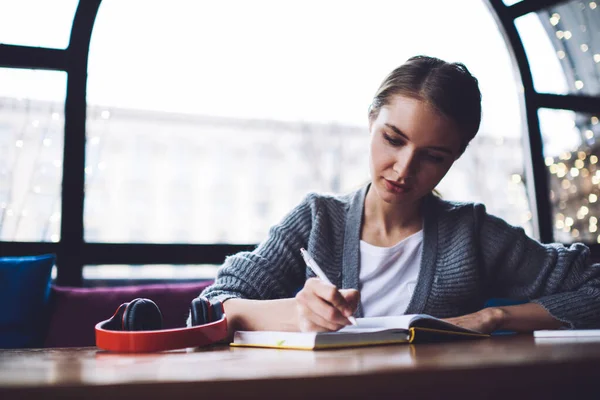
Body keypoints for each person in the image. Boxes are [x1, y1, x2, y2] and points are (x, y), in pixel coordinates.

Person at [197, 55, 600, 336]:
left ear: (455, 157)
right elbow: (213, 307)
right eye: (393, 139)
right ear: (372, 120)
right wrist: (294, 313)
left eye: (433, 156)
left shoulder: (471, 234)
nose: (403, 169)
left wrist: (493, 317)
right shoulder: (317, 221)